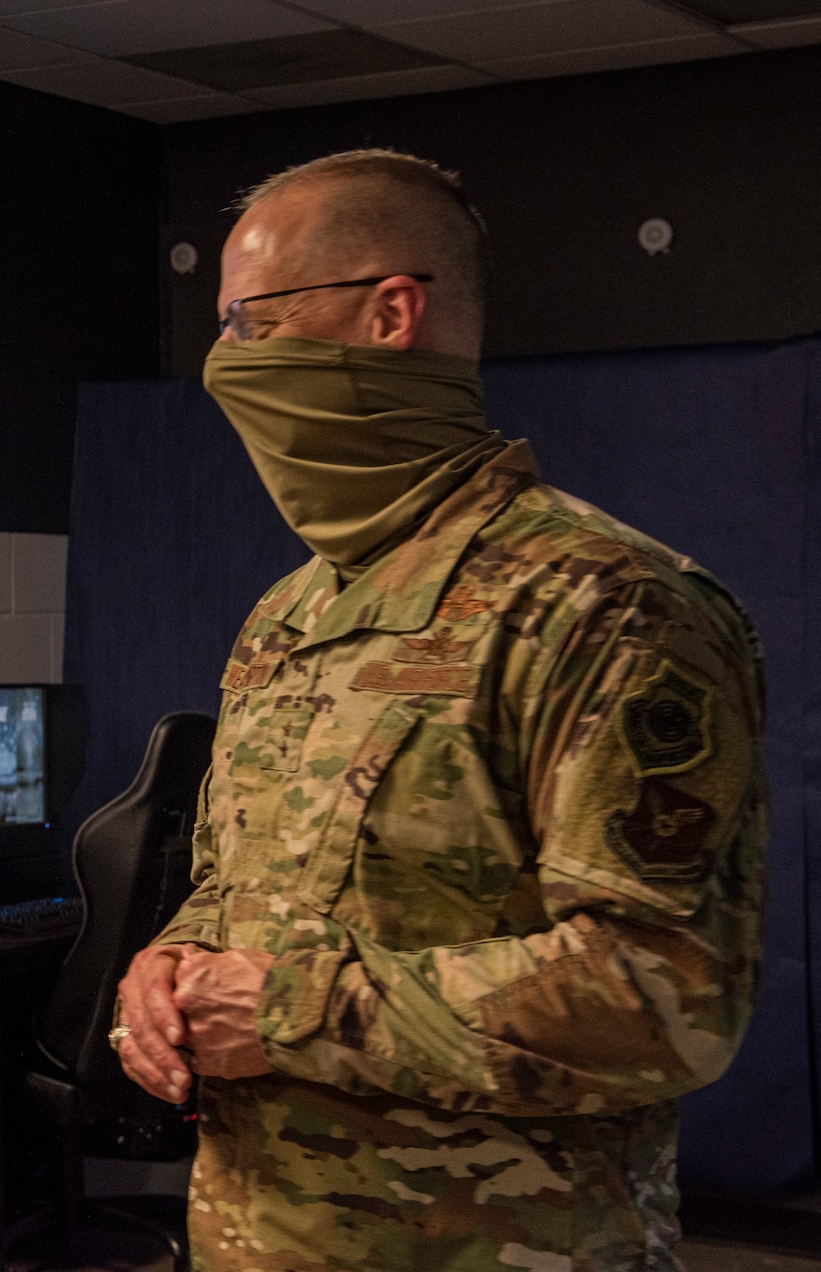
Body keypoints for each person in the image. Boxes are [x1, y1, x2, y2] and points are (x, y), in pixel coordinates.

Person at [111, 151, 766, 1270]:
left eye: (250, 325)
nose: (223, 364)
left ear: (388, 314)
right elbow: (239, 891)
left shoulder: (602, 604)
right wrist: (165, 969)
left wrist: (285, 1013)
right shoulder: (290, 612)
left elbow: (663, 995)